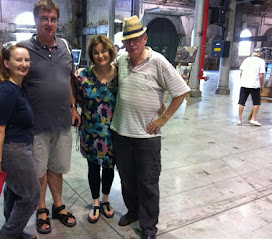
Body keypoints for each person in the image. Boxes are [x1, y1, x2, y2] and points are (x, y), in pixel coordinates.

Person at [0, 0, 80, 234]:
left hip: (62, 122)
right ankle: (42, 209)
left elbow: (68, 80)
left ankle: (58, 205)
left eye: (53, 19)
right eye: (44, 18)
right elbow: (10, 82)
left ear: (58, 21)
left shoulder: (65, 47)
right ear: (36, 21)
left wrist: (73, 107)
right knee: (38, 172)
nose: (49, 23)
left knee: (57, 168)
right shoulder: (24, 49)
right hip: (35, 126)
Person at [110, 16, 190, 239]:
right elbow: (104, 74)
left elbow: (181, 92)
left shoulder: (159, 61)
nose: (132, 44)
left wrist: (162, 119)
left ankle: (148, 226)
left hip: (147, 136)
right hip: (121, 132)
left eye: (136, 39)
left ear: (145, 38)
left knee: (147, 182)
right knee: (126, 179)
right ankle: (133, 211)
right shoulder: (121, 60)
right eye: (128, 40)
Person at [0, 42, 40, 239]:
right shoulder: (7, 91)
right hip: (13, 150)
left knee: (14, 192)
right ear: (7, 63)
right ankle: (5, 236)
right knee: (30, 195)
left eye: (27, 60)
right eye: (19, 60)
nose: (24, 64)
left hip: (18, 148)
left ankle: (15, 232)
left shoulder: (16, 87)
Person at [73, 35, 118, 223]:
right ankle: (96, 202)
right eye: (96, 52)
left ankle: (106, 199)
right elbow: (72, 94)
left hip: (113, 131)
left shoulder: (119, 73)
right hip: (90, 130)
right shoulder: (84, 75)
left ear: (110, 51)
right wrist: (73, 109)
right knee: (93, 167)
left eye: (103, 51)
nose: (100, 55)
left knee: (109, 167)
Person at [237, 47, 266, 126]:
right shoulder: (261, 61)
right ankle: (253, 119)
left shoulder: (247, 59)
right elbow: (261, 75)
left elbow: (241, 72)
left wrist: (243, 80)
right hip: (254, 85)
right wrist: (262, 85)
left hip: (244, 84)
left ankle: (239, 119)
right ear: (260, 53)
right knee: (256, 103)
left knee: (241, 102)